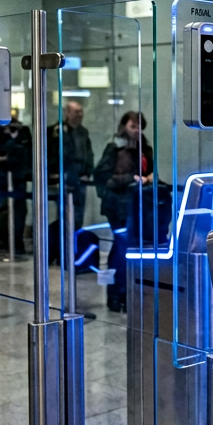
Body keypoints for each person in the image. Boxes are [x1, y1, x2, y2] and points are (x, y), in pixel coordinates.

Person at [93, 111, 155, 312]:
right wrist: (131, 178)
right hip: (118, 206)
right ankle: (115, 294)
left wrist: (149, 178)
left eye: (139, 127)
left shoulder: (144, 148)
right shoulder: (114, 148)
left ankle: (127, 294)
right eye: (133, 126)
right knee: (121, 249)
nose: (136, 131)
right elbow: (103, 176)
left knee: (128, 249)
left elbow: (149, 172)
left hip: (137, 205)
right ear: (124, 126)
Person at [0, 115, 33, 254]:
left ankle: (16, 241)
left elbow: (25, 154)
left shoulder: (23, 134)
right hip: (0, 180)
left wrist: (8, 156)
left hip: (18, 179)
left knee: (20, 211)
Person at [48, 101, 94, 226]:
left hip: (80, 179)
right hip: (63, 178)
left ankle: (75, 241)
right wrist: (55, 174)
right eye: (76, 112)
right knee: (63, 214)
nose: (80, 115)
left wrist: (87, 173)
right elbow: (53, 154)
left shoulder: (83, 132)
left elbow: (88, 154)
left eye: (81, 111)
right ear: (68, 113)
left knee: (78, 214)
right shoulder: (56, 132)